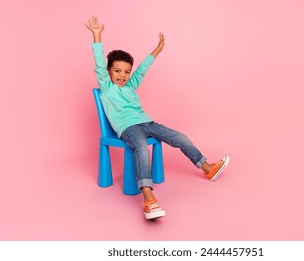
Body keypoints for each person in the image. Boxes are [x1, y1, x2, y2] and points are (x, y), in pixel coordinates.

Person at [85, 15, 230, 219]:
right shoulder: (107, 88)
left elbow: (142, 70)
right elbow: (99, 65)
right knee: (142, 148)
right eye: (117, 71)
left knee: (179, 137)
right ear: (108, 72)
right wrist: (97, 37)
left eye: (126, 72)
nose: (122, 75)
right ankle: (148, 199)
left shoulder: (130, 85)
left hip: (148, 123)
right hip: (129, 129)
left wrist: (157, 51)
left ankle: (207, 168)